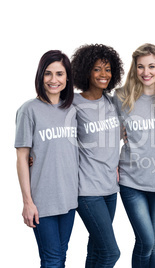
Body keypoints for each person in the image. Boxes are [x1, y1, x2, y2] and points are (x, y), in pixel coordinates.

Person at [113, 43, 155, 268]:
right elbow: (106, 130)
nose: (146, 72)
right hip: (132, 180)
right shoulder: (121, 96)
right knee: (146, 240)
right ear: (134, 68)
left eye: (151, 66)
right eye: (140, 67)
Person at [15, 50, 78, 267]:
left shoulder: (72, 110)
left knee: (60, 256)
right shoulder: (28, 110)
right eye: (48, 74)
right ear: (40, 76)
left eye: (59, 74)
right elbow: (22, 158)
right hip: (43, 201)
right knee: (52, 260)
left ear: (67, 77)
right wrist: (27, 202)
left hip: (69, 199)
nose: (54, 80)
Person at [70, 44, 124, 267]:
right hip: (87, 190)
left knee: (96, 251)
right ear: (85, 72)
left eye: (108, 69)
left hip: (110, 188)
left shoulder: (112, 102)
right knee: (111, 253)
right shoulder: (72, 104)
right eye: (97, 69)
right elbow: (52, 129)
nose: (104, 75)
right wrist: (33, 154)